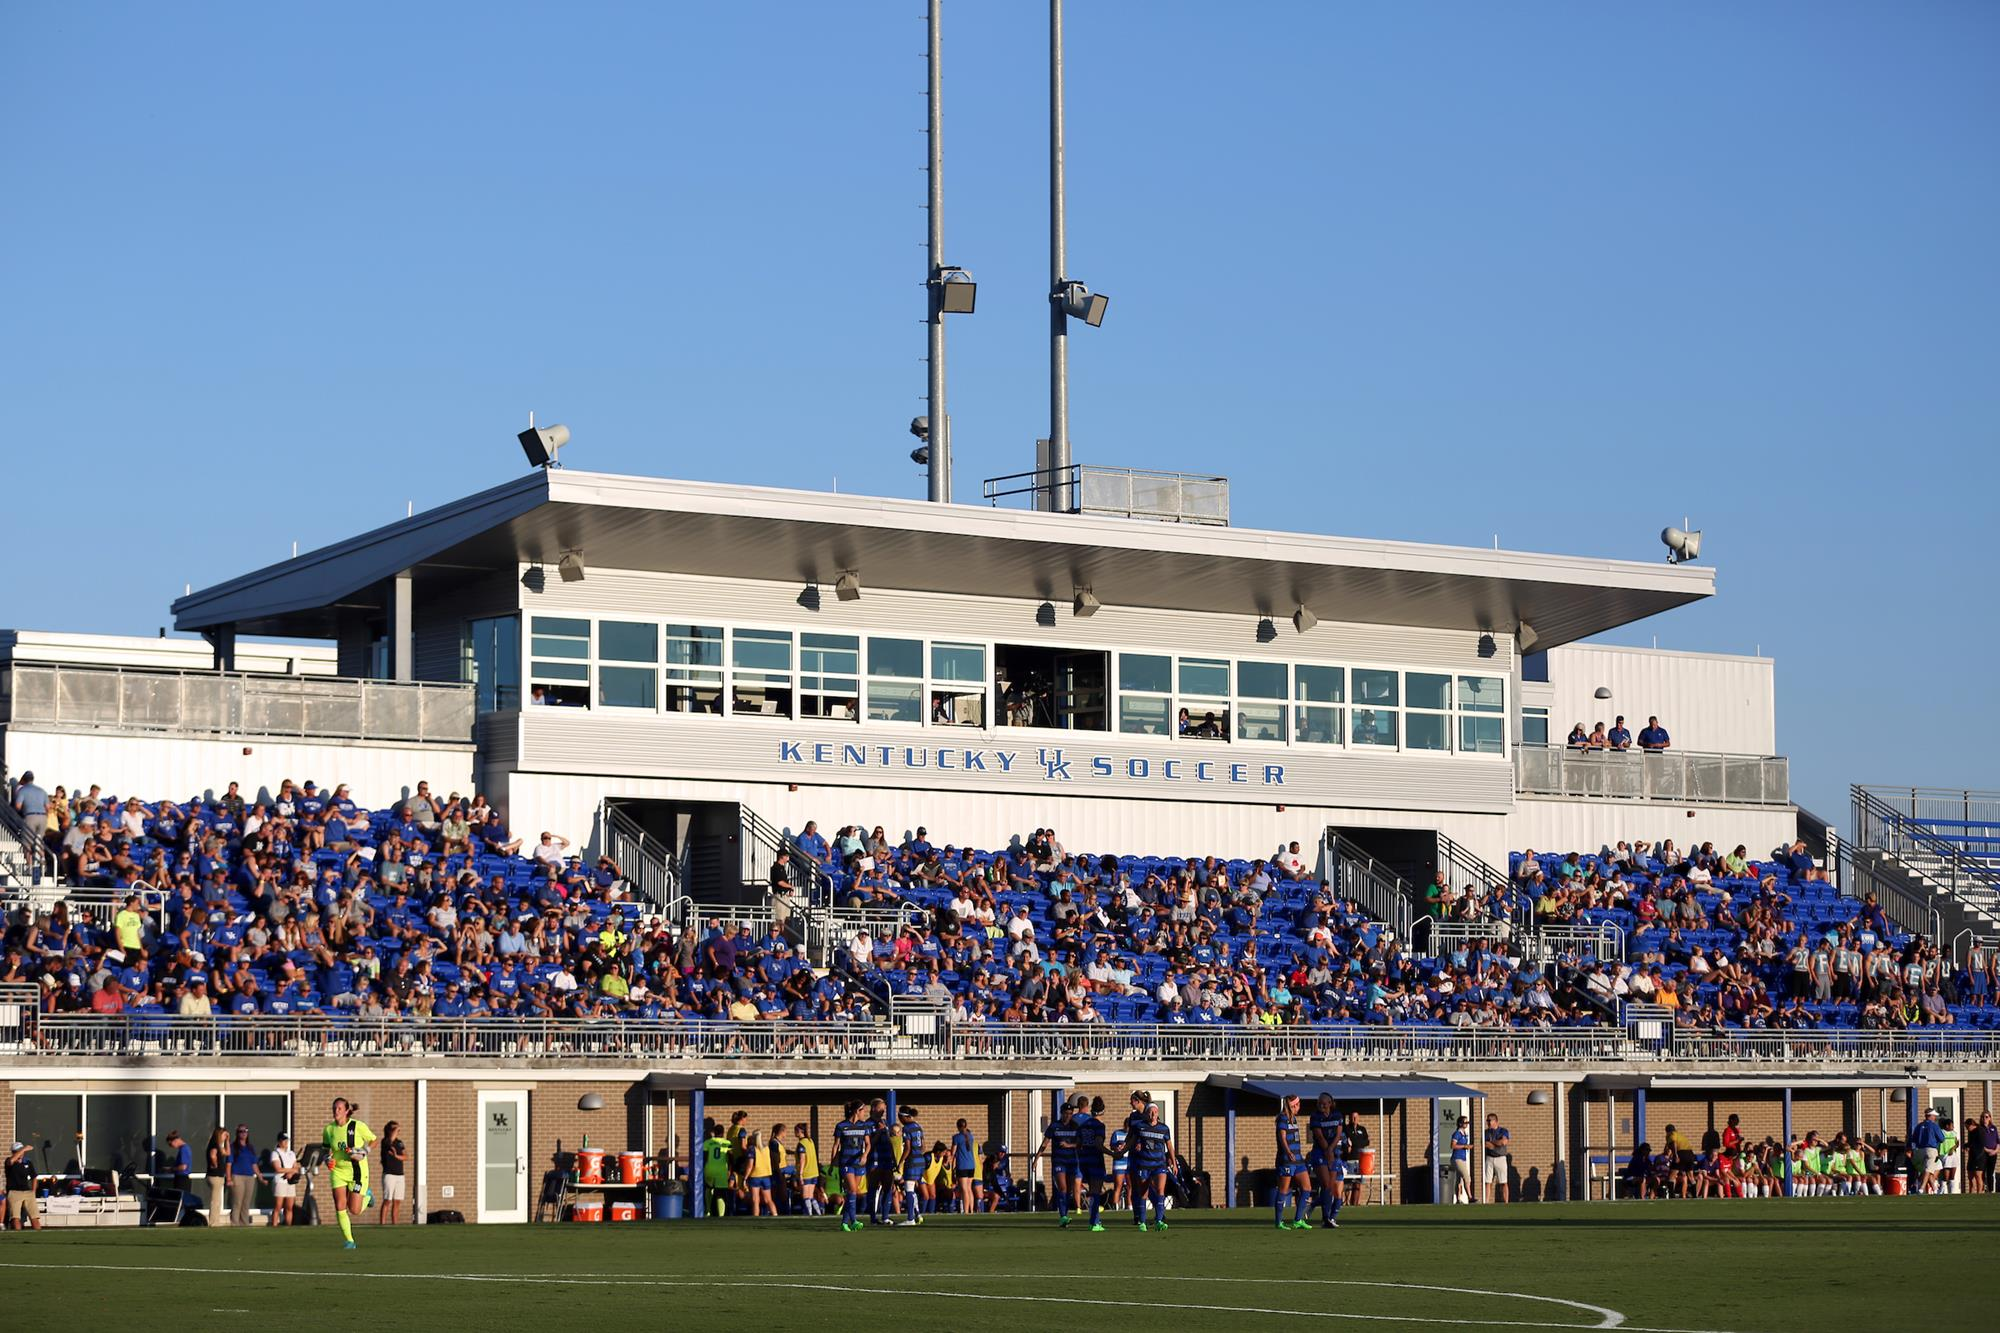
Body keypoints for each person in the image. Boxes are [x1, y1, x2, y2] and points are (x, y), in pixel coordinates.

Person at [323, 1096, 377, 1249]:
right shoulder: (329, 1129)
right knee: (340, 1205)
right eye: (334, 1108)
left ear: (347, 1111)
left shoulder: (357, 1126)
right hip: (338, 1171)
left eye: (339, 1108)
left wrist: (365, 1150)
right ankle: (349, 1240)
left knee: (355, 1210)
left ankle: (368, 1196)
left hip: (357, 1171)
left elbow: (374, 1139)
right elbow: (326, 1150)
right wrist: (328, 1159)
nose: (336, 1111)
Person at [1029, 1096, 1082, 1227]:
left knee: (1069, 1190)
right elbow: (1044, 1143)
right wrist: (1036, 1159)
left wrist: (1069, 1145)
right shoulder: (1055, 1126)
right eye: (1066, 1114)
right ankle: (1063, 1216)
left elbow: (1081, 1144)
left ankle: (1065, 1214)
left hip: (1072, 1162)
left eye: (1070, 1114)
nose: (1068, 1116)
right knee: (1062, 1188)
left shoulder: (1075, 1126)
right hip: (1059, 1161)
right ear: (1061, 1113)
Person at [1131, 1102, 1173, 1231]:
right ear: (1147, 1113)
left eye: (1155, 1112)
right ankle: (1142, 1222)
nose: (1153, 1114)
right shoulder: (1140, 1127)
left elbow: (1170, 1146)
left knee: (1160, 1191)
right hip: (1144, 1164)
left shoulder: (1164, 1128)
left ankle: (1159, 1220)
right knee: (1144, 1193)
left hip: (1159, 1164)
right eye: (1150, 1112)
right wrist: (1124, 1149)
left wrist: (1174, 1162)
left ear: (1158, 1113)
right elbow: (1132, 1141)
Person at [1273, 1094, 1313, 1229]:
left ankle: (1298, 1220)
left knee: (1307, 1188)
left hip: (1298, 1159)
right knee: (1284, 1190)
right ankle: (1278, 1222)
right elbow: (1282, 1137)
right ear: (1294, 1105)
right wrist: (1288, 1152)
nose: (1299, 1107)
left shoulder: (1294, 1119)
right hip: (1287, 1160)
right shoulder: (1282, 1118)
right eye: (1298, 1104)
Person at [833, 1101, 872, 1231]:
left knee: (852, 1193)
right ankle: (854, 1220)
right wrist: (833, 1162)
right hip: (846, 1162)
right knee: (853, 1190)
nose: (864, 1113)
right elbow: (836, 1145)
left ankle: (844, 1222)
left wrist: (865, 1155)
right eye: (863, 1111)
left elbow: (868, 1144)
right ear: (857, 1111)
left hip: (859, 1163)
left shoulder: (864, 1126)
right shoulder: (841, 1126)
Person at [1308, 1092, 1345, 1229]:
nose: (1321, 1105)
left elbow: (1338, 1134)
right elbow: (1319, 1136)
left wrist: (1331, 1150)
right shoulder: (1315, 1116)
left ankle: (1325, 1217)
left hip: (1333, 1151)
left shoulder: (1337, 1115)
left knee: (1331, 1187)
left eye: (1324, 1103)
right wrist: (1327, 1151)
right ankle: (1325, 1218)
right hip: (1319, 1152)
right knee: (1326, 1184)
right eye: (1319, 1103)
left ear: (1330, 1103)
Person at [1076, 1096, 1109, 1231]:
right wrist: (1112, 1154)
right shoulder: (1100, 1126)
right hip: (1095, 1161)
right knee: (1096, 1191)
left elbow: (1078, 1143)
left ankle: (1094, 1220)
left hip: (1084, 1161)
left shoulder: (1083, 1125)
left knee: (1092, 1190)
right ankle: (1094, 1222)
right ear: (1103, 1111)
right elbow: (1098, 1144)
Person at [897, 1105, 928, 1224]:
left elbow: (908, 1148)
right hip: (921, 1161)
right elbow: (923, 1147)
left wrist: (901, 1161)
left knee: (909, 1189)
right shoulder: (918, 1127)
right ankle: (918, 1215)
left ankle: (910, 1219)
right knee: (913, 1189)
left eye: (900, 1117)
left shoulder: (907, 1128)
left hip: (912, 1162)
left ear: (903, 1117)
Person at [228, 1124, 259, 1226]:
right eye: (241, 1131)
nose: (244, 1133)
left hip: (249, 1177)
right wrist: (229, 1178)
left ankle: (244, 1223)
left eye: (245, 1131)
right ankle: (234, 1223)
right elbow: (229, 1164)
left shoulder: (250, 1148)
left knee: (246, 1203)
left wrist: (260, 1177)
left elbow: (254, 1164)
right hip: (237, 1176)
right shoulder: (233, 1147)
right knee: (237, 1202)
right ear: (237, 1133)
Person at [700, 1119, 732, 1218]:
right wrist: (730, 1170)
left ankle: (708, 1211)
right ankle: (721, 1215)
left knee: (709, 1189)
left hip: (709, 1169)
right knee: (720, 1192)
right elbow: (731, 1157)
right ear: (723, 1133)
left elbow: (704, 1157)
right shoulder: (727, 1143)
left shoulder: (707, 1142)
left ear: (714, 1132)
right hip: (722, 1170)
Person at [5, 1140, 40, 1231]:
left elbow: (34, 1177)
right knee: (16, 1217)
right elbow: (11, 1160)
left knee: (34, 1217)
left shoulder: (27, 1162)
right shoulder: (9, 1161)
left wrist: (33, 1191)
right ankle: (18, 1236)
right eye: (18, 1151)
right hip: (14, 1192)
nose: (21, 1153)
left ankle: (39, 1236)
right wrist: (24, 1148)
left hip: (27, 1192)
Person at [267, 1132, 300, 1226]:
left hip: (290, 1182)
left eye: (287, 1140)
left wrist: (291, 1172)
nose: (286, 1142)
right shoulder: (275, 1153)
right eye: (283, 1140)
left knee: (289, 1206)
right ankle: (274, 1225)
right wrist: (291, 1171)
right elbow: (278, 1168)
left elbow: (296, 1167)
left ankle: (288, 1225)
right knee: (278, 1205)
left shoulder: (291, 1153)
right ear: (279, 1141)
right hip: (280, 1181)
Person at [378, 1120, 407, 1224]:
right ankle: (383, 1223)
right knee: (387, 1200)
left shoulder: (399, 1143)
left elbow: (405, 1156)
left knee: (397, 1200)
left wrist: (396, 1156)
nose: (397, 1131)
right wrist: (395, 1129)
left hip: (400, 1175)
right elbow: (391, 1140)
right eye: (394, 1129)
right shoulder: (385, 1141)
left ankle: (395, 1223)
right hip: (389, 1174)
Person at [1912, 1108, 1946, 1194]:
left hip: (1919, 1150)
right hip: (1930, 1150)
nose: (1935, 1118)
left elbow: (1914, 1139)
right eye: (1934, 1116)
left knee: (1926, 1170)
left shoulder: (1919, 1126)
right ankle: (1921, 1188)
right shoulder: (1934, 1126)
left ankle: (1935, 1189)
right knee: (1928, 1170)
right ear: (1930, 1116)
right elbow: (1942, 1138)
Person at [951, 1118, 981, 1217]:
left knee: (964, 1189)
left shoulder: (956, 1137)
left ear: (958, 1126)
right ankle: (971, 1210)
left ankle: (966, 1211)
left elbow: (953, 1152)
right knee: (969, 1188)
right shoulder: (970, 1136)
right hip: (971, 1165)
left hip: (962, 1165)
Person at [793, 1123, 823, 1216]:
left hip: (806, 1173)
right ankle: (818, 1213)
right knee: (811, 1196)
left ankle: (809, 1214)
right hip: (814, 1172)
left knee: (806, 1196)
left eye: (796, 1130)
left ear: (800, 1131)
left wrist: (800, 1174)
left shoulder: (801, 1144)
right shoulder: (810, 1141)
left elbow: (802, 1159)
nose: (794, 1132)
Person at [204, 1127, 231, 1226]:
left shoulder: (219, 1146)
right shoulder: (214, 1145)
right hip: (215, 1176)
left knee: (217, 1200)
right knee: (215, 1201)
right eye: (224, 1135)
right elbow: (212, 1155)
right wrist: (215, 1164)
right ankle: (213, 1222)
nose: (225, 1137)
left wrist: (227, 1141)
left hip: (218, 1176)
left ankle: (216, 1221)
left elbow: (228, 1153)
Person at [1483, 1112, 1511, 1204]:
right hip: (1489, 1158)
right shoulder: (1486, 1132)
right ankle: (1486, 1201)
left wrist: (1493, 1143)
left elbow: (1503, 1142)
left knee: (1503, 1181)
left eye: (1489, 1121)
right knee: (1488, 1181)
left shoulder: (1503, 1131)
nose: (1488, 1123)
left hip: (1500, 1158)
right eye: (1487, 1121)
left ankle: (1506, 1201)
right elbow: (1485, 1144)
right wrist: (1496, 1143)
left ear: (1495, 1121)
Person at [1449, 1117, 1472, 1203]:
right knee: (1467, 1177)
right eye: (1464, 1122)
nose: (1466, 1124)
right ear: (1460, 1123)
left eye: (1467, 1122)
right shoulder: (1457, 1134)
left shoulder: (1464, 1134)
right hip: (1457, 1158)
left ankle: (1458, 1199)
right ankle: (1470, 1197)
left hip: (1463, 1158)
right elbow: (1453, 1146)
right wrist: (1464, 1146)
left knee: (1459, 1180)